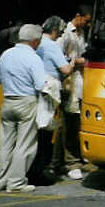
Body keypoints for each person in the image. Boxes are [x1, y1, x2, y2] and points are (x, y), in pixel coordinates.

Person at [0, 24, 46, 193]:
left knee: (5, 144)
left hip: (7, 102)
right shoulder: (33, 58)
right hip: (26, 102)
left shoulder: (5, 55)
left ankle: (1, 181)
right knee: (25, 144)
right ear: (35, 41)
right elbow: (40, 85)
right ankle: (16, 183)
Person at [30, 16, 71, 184]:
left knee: (34, 130)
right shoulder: (52, 46)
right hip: (50, 90)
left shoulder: (35, 43)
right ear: (54, 30)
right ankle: (39, 171)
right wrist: (74, 62)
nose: (60, 35)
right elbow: (65, 69)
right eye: (60, 32)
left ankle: (31, 168)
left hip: (35, 88)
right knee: (46, 130)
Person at [53, 5, 92, 180]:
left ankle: (57, 162)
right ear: (78, 16)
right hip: (69, 82)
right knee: (69, 122)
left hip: (79, 81)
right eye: (86, 20)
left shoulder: (82, 34)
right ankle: (71, 162)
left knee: (67, 123)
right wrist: (78, 61)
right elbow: (58, 56)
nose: (88, 24)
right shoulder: (65, 34)